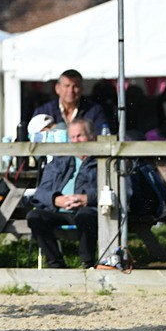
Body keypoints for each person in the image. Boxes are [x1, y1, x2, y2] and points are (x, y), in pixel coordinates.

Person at [27, 118, 100, 269]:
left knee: (85, 215)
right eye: (72, 137)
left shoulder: (101, 161)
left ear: (92, 136)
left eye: (80, 136)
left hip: (87, 210)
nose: (76, 141)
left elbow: (116, 190)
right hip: (59, 210)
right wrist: (56, 200)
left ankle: (86, 264)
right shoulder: (60, 160)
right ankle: (56, 265)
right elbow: (40, 193)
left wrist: (87, 198)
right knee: (34, 216)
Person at [31, 70, 109, 135]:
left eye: (75, 86)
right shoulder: (44, 111)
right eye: (67, 86)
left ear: (82, 89)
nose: (71, 90)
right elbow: (33, 135)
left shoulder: (94, 111)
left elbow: (102, 134)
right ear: (57, 88)